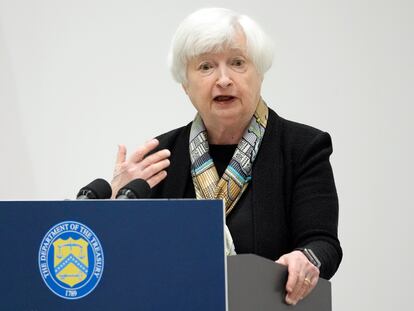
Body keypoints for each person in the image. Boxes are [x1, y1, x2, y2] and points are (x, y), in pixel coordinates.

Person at [111, 7, 342, 306]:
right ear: (185, 85)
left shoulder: (303, 147)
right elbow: (126, 256)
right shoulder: (160, 157)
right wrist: (115, 206)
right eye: (206, 67)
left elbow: (324, 244)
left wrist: (305, 258)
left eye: (237, 63)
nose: (223, 79)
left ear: (259, 73)